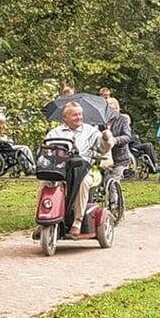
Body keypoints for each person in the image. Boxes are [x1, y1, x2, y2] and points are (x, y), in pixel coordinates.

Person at [43, 99, 111, 236]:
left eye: (80, 114)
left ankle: (77, 221)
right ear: (65, 117)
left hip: (83, 169)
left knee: (83, 183)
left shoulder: (90, 131)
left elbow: (103, 148)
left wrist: (105, 139)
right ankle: (44, 219)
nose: (79, 117)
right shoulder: (55, 133)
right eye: (75, 115)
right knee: (44, 182)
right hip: (60, 169)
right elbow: (46, 150)